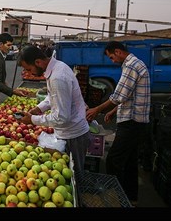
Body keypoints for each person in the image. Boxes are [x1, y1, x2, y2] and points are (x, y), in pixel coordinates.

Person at [86, 41, 151, 205]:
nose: (112, 60)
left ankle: (115, 198)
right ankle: (130, 198)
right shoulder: (134, 64)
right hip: (136, 120)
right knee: (129, 161)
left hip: (132, 122)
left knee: (114, 160)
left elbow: (118, 97)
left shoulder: (131, 65)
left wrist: (97, 110)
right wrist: (113, 111)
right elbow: (129, 94)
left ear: (118, 51)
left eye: (111, 57)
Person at [17, 45, 90, 174]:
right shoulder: (57, 67)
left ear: (38, 62)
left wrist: (33, 119)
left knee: (74, 175)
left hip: (73, 135)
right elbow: (53, 96)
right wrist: (39, 108)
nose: (29, 73)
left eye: (29, 69)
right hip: (70, 131)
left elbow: (61, 117)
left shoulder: (57, 78)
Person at [0, 32, 27, 98]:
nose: (10, 48)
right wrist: (13, 91)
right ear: (1, 44)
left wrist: (7, 86)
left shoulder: (1, 55)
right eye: (8, 45)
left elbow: (0, 78)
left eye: (11, 45)